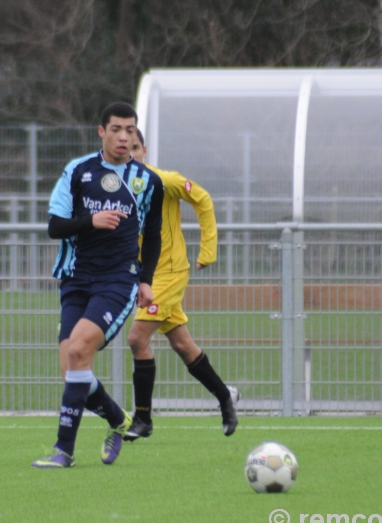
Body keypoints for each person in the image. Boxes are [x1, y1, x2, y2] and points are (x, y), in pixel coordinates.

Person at [32, 103, 164, 469]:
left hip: (118, 281)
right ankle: (118, 419)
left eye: (131, 131)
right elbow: (55, 227)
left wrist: (146, 281)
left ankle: (63, 451)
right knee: (73, 368)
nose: (125, 137)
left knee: (77, 351)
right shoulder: (77, 171)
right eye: (117, 129)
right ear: (101, 132)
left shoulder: (147, 181)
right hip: (75, 278)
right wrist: (92, 220)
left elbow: (152, 237)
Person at [124, 130, 238, 440]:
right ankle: (225, 396)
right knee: (183, 346)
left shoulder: (165, 180)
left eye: (135, 147)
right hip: (145, 277)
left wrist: (208, 250)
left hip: (171, 273)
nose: (130, 154)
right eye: (125, 148)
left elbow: (202, 199)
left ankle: (143, 418)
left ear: (144, 150)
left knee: (137, 339)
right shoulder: (115, 189)